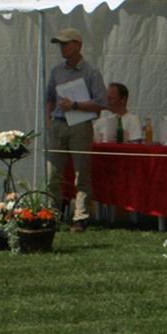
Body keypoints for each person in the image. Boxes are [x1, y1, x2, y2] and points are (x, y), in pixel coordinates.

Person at [45, 27, 107, 232]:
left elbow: (101, 103)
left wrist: (75, 106)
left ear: (78, 45)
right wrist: (48, 121)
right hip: (58, 123)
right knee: (53, 173)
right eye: (60, 44)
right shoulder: (56, 71)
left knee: (82, 172)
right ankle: (51, 215)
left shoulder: (91, 72)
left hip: (80, 125)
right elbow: (49, 98)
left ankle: (80, 217)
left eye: (65, 43)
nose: (62, 48)